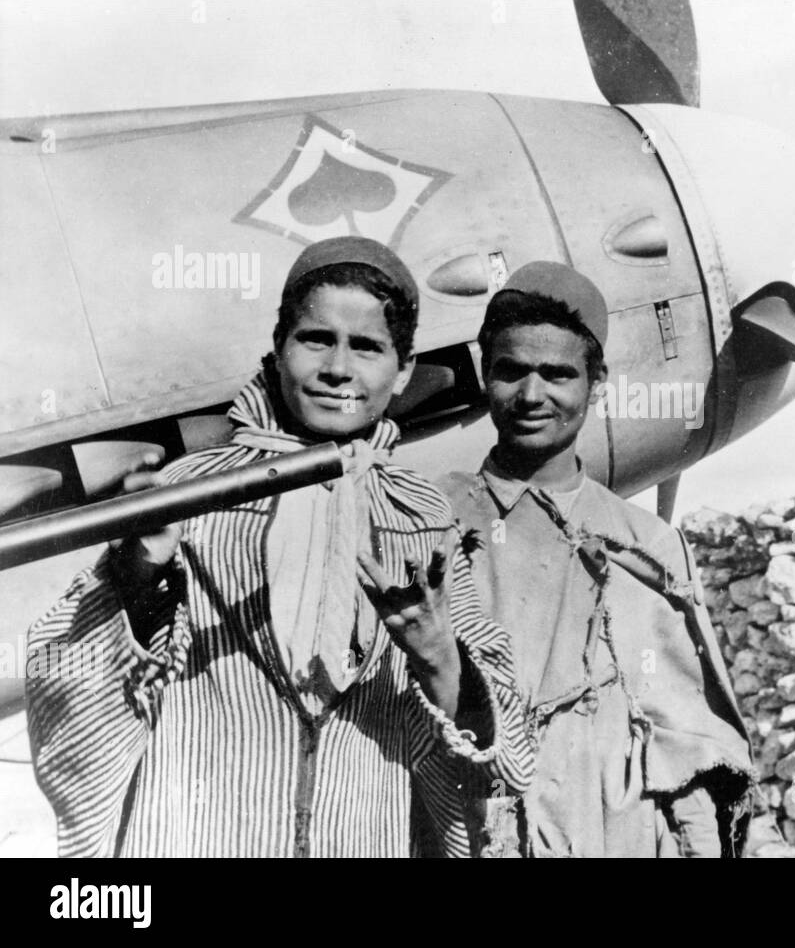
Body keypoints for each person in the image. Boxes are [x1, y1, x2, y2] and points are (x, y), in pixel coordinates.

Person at [26, 236, 533, 857]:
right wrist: (138, 572)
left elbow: (501, 767)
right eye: (315, 339)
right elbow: (69, 690)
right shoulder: (189, 493)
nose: (338, 370)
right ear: (278, 343)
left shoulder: (422, 518)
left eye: (368, 347)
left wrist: (439, 658)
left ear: (403, 370)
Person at [436, 261, 754, 857]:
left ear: (596, 381)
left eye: (557, 374)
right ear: (485, 375)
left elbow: (688, 748)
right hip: (459, 828)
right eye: (512, 372)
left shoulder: (647, 546)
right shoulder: (429, 520)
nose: (532, 396)